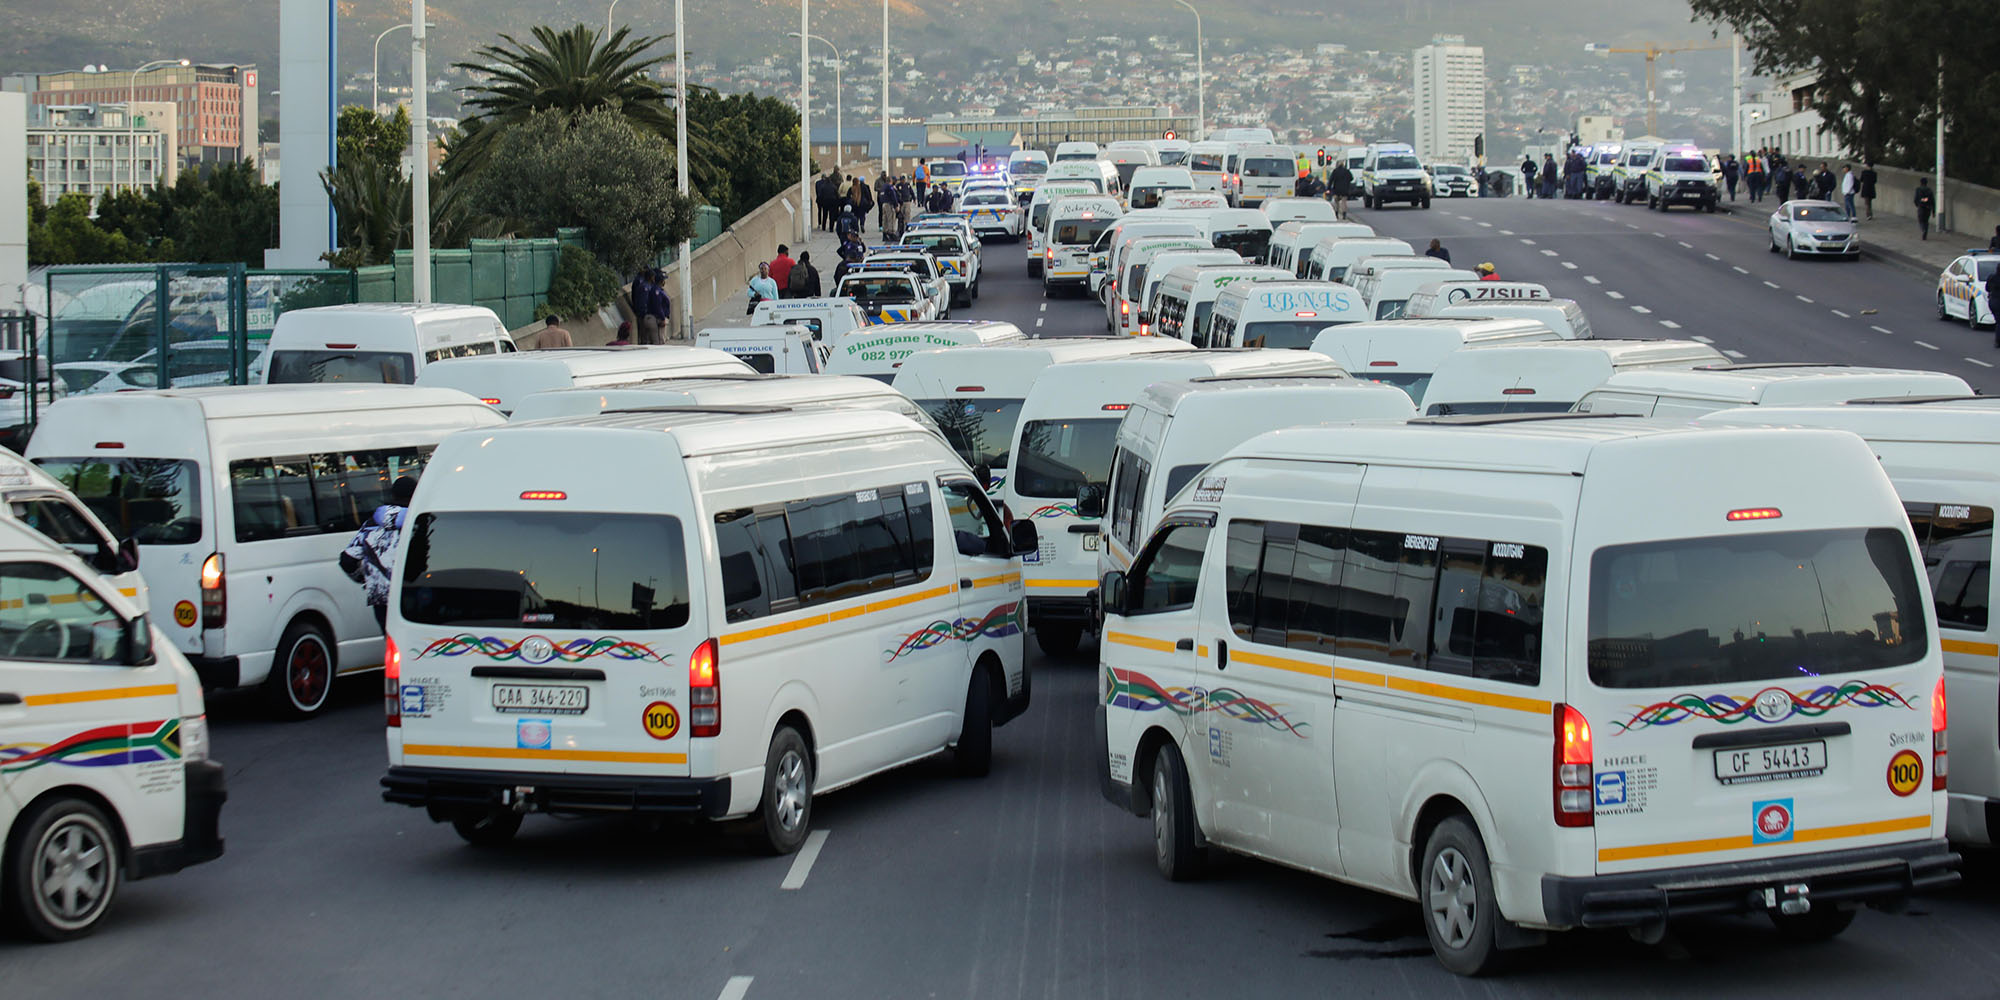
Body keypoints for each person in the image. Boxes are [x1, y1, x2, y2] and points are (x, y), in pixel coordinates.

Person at [340, 476, 416, 631]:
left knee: (392, 643)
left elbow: (347, 560)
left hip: (381, 597)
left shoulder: (372, 523)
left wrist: (366, 578)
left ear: (393, 496)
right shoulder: (419, 520)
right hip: (414, 593)